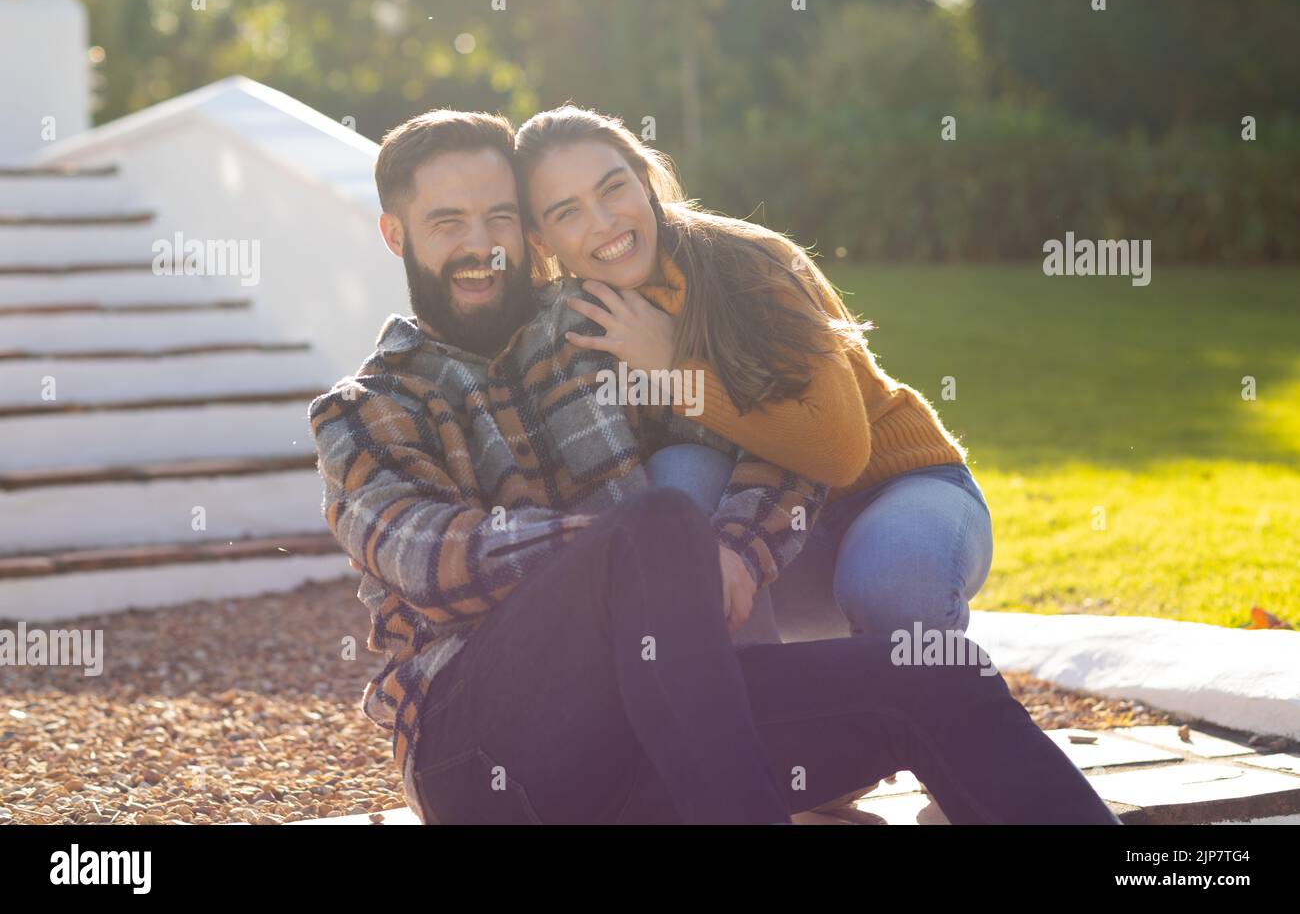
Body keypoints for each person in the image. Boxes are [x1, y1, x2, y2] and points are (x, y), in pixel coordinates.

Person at [309, 107, 1121, 824]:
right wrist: (644, 559)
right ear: (397, 234)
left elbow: (774, 450)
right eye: (448, 222)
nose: (480, 245)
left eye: (497, 217)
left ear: (526, 232)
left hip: (663, 736)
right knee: (659, 522)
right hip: (489, 764)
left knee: (935, 679)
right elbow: (427, 558)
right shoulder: (366, 406)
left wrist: (733, 546)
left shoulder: (597, 327)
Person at [514, 105, 993, 646]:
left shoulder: (748, 264)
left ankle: (948, 718)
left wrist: (675, 369)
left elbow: (840, 452)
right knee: (681, 475)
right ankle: (762, 713)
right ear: (540, 239)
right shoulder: (566, 329)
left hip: (893, 489)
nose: (604, 223)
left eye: (612, 188)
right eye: (567, 212)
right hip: (775, 540)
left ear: (645, 181)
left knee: (891, 583)